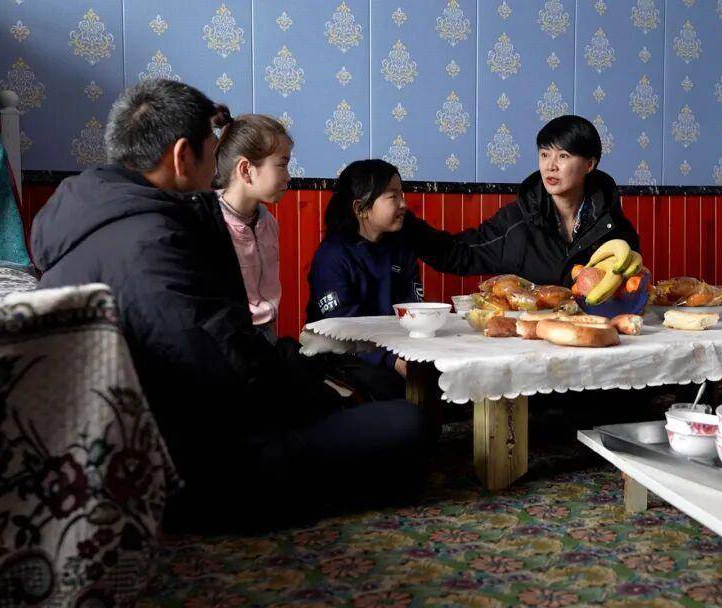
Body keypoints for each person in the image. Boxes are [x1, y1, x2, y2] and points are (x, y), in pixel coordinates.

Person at [31, 79, 429, 531]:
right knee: (407, 425)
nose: (216, 165)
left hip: (173, 429)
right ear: (183, 156)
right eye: (211, 149)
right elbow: (222, 373)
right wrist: (306, 392)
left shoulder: (95, 215)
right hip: (198, 460)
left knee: (355, 403)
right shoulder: (153, 243)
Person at [401, 115, 639, 287]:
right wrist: (403, 221)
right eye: (544, 154)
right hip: (528, 336)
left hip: (593, 333)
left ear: (589, 164)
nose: (550, 166)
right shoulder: (516, 221)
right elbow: (458, 254)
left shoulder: (615, 228)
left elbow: (630, 287)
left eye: (563, 156)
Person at [306, 159, 419, 400]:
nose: (403, 203)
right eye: (393, 196)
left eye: (402, 194)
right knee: (392, 390)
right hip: (343, 355)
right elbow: (341, 326)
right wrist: (392, 359)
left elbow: (413, 310)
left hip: (395, 349)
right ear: (361, 208)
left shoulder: (402, 250)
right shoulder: (332, 256)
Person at [214, 112, 289, 342]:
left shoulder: (268, 221)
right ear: (246, 170)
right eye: (282, 165)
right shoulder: (212, 224)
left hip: (266, 335)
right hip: (228, 340)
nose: (288, 176)